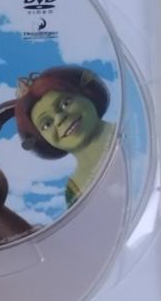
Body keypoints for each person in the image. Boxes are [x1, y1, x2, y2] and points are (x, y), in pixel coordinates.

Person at [13, 67, 115, 207]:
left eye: (65, 103)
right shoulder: (74, 190)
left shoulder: (133, 124)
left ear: (86, 93)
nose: (60, 118)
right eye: (46, 124)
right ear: (42, 139)